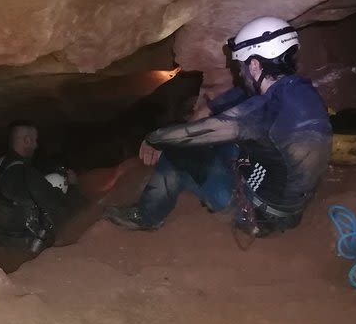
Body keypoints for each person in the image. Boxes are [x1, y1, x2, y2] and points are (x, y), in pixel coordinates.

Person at [103, 16, 333, 236]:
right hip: (290, 205)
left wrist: (154, 138)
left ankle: (146, 216)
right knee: (232, 145)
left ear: (254, 65)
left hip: (258, 216)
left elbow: (199, 132)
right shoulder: (301, 90)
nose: (240, 72)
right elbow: (243, 106)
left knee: (178, 152)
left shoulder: (263, 110)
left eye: (242, 66)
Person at [0, 120, 85, 251]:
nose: (36, 145)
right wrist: (73, 187)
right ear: (27, 140)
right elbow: (62, 206)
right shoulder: (27, 174)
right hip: (20, 243)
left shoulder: (1, 163)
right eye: (35, 140)